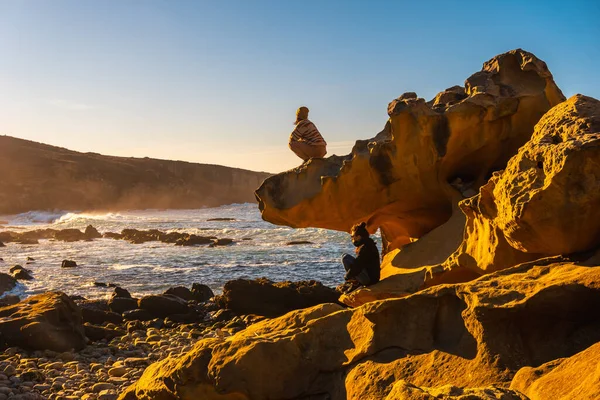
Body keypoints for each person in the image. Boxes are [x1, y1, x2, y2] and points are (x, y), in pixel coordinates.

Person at [341, 222, 380, 293]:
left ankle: (356, 283)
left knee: (346, 258)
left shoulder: (365, 247)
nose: (352, 239)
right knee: (345, 256)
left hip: (369, 280)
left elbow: (358, 265)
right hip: (372, 277)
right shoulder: (368, 244)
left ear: (359, 236)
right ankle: (355, 282)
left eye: (353, 237)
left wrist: (347, 276)